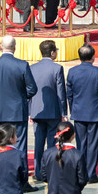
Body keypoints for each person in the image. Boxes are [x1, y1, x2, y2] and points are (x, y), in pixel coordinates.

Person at [0, 35, 38, 192]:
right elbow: (32, 89)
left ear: (0, 46)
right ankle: (21, 182)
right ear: (15, 47)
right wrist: (19, 97)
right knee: (19, 147)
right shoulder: (22, 65)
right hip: (17, 112)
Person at [67, 43, 98, 183]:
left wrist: (73, 109)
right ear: (93, 56)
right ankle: (91, 173)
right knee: (93, 145)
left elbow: (70, 94)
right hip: (95, 112)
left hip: (79, 112)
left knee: (81, 144)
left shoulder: (72, 72)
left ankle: (80, 172)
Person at [28, 40, 67, 181]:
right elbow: (60, 93)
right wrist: (64, 113)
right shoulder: (57, 68)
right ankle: (50, 171)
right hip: (53, 112)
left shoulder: (32, 68)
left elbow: (29, 92)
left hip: (36, 111)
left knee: (38, 144)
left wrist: (29, 111)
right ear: (52, 53)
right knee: (52, 144)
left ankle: (38, 172)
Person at [41, 121, 88, 194]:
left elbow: (44, 176)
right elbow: (82, 179)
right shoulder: (77, 155)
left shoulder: (47, 153)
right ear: (73, 135)